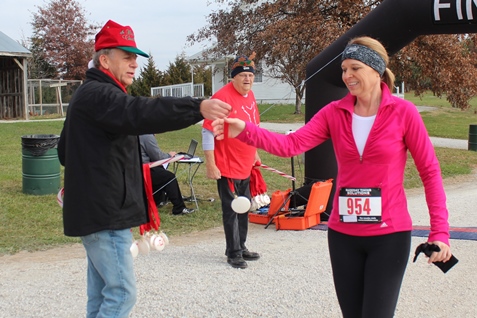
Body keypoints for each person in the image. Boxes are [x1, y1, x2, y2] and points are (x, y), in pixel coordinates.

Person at [212, 36, 452, 317]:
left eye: (354, 68)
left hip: (389, 236)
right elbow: (291, 145)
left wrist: (440, 231)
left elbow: (430, 172)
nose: (346, 76)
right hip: (343, 235)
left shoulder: (404, 113)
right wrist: (245, 130)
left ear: (376, 70)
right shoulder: (334, 113)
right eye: (344, 69)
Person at [57, 20, 230, 318]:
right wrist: (196, 107)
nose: (134, 63)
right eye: (126, 56)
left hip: (98, 212)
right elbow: (141, 112)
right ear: (104, 59)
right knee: (122, 295)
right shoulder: (100, 95)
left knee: (101, 296)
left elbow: (63, 152)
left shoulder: (91, 95)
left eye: (135, 57)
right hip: (105, 215)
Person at [202, 53, 261, 269]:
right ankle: (233, 252)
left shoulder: (251, 95)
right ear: (233, 77)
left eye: (250, 75)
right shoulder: (221, 98)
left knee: (244, 207)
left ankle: (241, 246)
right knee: (232, 208)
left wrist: (254, 152)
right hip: (227, 164)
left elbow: (253, 127)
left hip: (245, 163)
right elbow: (207, 131)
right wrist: (211, 163)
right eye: (243, 75)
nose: (247, 79)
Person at [139, 134, 194, 215]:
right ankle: (179, 208)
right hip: (144, 170)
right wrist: (170, 155)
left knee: (161, 173)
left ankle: (159, 199)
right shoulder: (147, 136)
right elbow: (157, 157)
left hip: (136, 169)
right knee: (169, 177)